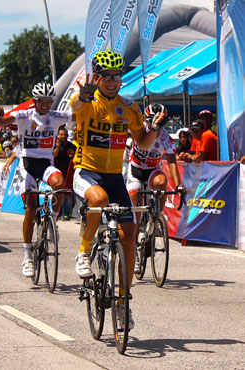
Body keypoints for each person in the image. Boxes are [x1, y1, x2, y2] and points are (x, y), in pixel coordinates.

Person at [70, 50, 162, 329]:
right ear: (96, 77)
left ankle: (123, 301)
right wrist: (83, 96)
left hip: (114, 178)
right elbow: (75, 106)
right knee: (99, 199)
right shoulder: (88, 102)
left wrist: (155, 129)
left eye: (117, 75)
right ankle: (84, 251)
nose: (113, 81)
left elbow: (143, 143)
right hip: (86, 172)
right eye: (107, 76)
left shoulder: (128, 107)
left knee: (129, 236)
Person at [0, 82, 74, 277]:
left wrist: (87, 99)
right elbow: (1, 122)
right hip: (26, 164)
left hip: (45, 163)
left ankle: (53, 220)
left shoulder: (55, 116)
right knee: (30, 208)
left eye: (48, 101)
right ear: (35, 101)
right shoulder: (24, 115)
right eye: (41, 101)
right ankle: (27, 254)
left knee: (59, 184)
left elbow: (80, 116)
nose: (45, 105)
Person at [126, 103, 185, 273]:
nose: (158, 123)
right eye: (154, 119)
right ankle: (136, 249)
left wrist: (179, 185)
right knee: (135, 200)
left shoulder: (165, 137)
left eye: (161, 120)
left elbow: (172, 161)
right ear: (146, 119)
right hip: (135, 171)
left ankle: (156, 215)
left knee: (161, 182)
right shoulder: (138, 129)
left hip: (152, 171)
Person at [53, 127, 77, 221]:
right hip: (57, 173)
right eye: (61, 134)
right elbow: (53, 156)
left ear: (67, 136)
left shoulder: (72, 146)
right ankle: (58, 213)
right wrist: (58, 147)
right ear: (58, 136)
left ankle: (66, 214)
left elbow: (76, 157)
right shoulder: (55, 145)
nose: (63, 136)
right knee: (58, 193)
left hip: (68, 173)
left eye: (64, 135)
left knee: (67, 193)